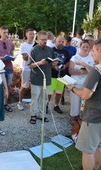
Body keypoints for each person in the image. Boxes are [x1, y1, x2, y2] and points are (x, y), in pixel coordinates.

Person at [66, 39, 101, 170]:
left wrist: (72, 89)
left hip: (93, 116)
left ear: (100, 51)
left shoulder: (96, 71)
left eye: (94, 51)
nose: (92, 54)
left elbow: (86, 95)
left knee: (87, 151)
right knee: (98, 147)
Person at [29, 30, 55, 124]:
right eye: (42, 39)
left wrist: (54, 62)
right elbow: (30, 65)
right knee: (35, 98)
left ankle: (42, 115)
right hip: (36, 78)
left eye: (46, 39)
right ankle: (33, 115)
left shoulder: (50, 49)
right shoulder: (34, 50)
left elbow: (53, 62)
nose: (44, 41)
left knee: (44, 98)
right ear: (38, 39)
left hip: (47, 77)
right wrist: (40, 62)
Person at [69, 40, 95, 120]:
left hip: (87, 83)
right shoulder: (75, 58)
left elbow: (94, 70)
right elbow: (70, 70)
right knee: (75, 101)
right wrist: (81, 71)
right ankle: (74, 117)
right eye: (83, 46)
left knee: (84, 102)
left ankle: (82, 118)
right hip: (76, 82)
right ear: (80, 47)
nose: (85, 48)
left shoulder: (92, 58)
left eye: (87, 47)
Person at [48, 36, 70, 114]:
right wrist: (54, 66)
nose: (61, 43)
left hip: (62, 75)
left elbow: (68, 61)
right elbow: (48, 62)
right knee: (49, 92)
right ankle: (46, 105)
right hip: (52, 75)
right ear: (55, 41)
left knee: (59, 92)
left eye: (62, 42)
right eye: (59, 41)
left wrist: (65, 66)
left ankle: (56, 105)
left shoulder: (65, 51)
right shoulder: (51, 50)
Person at [0, 26, 15, 112]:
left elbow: (12, 54)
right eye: (4, 32)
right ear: (0, 33)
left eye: (7, 32)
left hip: (9, 67)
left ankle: (5, 104)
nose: (6, 34)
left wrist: (12, 57)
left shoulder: (11, 44)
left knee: (8, 85)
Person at [17, 28, 35, 110]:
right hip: (26, 68)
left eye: (33, 33)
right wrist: (31, 50)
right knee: (24, 86)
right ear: (26, 35)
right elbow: (24, 58)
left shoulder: (36, 44)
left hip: (35, 68)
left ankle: (34, 103)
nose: (32, 35)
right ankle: (20, 102)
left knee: (34, 87)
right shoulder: (24, 45)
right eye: (30, 33)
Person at [61, 35, 77, 105]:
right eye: (65, 43)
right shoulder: (62, 48)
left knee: (69, 83)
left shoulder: (73, 49)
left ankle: (72, 98)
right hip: (63, 68)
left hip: (70, 68)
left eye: (68, 44)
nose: (66, 45)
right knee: (63, 84)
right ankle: (62, 97)